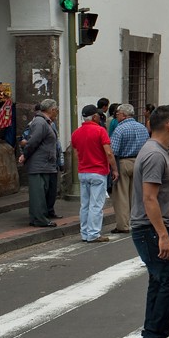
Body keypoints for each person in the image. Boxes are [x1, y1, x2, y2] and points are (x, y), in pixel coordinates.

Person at [132, 105, 169, 338]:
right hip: (150, 230)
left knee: (159, 282)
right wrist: (163, 235)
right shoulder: (154, 154)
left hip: (151, 228)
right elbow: (149, 198)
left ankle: (155, 336)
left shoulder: (156, 151)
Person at [70, 104, 117, 243]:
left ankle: (84, 233)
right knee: (96, 205)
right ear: (95, 117)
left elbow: (76, 154)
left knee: (84, 204)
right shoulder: (100, 131)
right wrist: (114, 169)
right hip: (98, 171)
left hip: (83, 171)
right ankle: (94, 233)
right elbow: (109, 152)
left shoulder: (76, 133)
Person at [19, 99, 60, 228]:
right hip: (40, 164)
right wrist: (25, 155)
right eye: (56, 110)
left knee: (42, 192)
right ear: (51, 110)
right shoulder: (40, 122)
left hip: (44, 164)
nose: (57, 112)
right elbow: (32, 142)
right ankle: (39, 219)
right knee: (38, 193)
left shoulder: (45, 122)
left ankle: (38, 218)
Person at [110, 103, 150, 233]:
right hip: (139, 161)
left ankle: (123, 225)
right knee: (135, 194)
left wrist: (113, 169)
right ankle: (136, 221)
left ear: (123, 115)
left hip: (124, 162)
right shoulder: (142, 128)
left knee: (121, 195)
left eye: (118, 113)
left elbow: (113, 150)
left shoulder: (120, 129)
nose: (116, 116)